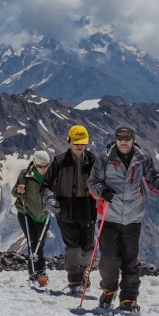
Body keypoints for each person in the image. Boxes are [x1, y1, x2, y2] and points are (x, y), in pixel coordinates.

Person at [87, 125, 159, 312]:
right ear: (116, 139)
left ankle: (128, 299)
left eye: (127, 137)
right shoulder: (105, 159)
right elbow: (92, 183)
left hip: (133, 216)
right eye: (120, 137)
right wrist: (103, 192)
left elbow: (152, 178)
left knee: (129, 259)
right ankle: (109, 290)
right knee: (108, 259)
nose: (123, 140)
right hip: (109, 215)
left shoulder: (142, 159)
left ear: (133, 139)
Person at [41, 124, 97, 294]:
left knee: (88, 247)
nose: (79, 146)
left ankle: (84, 272)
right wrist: (49, 198)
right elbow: (44, 185)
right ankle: (75, 280)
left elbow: (102, 181)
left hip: (88, 208)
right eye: (76, 142)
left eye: (82, 143)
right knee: (72, 246)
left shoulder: (93, 161)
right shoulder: (59, 162)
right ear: (69, 141)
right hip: (65, 209)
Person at [12, 150, 52, 287]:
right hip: (26, 212)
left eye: (46, 166)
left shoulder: (51, 176)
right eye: (41, 166)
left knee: (40, 242)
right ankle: (38, 271)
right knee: (33, 241)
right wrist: (19, 190)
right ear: (34, 164)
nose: (44, 169)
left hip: (44, 214)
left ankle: (37, 272)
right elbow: (14, 192)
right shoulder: (25, 175)